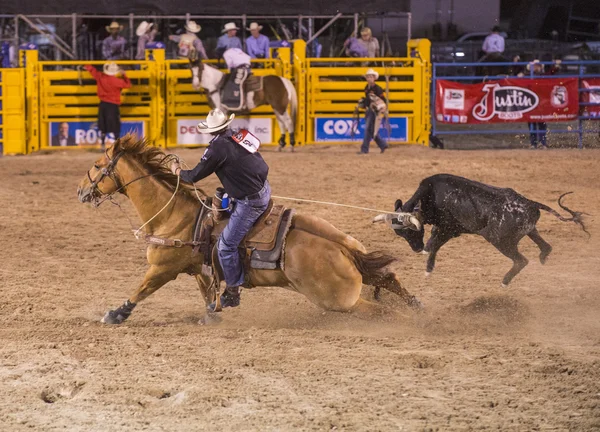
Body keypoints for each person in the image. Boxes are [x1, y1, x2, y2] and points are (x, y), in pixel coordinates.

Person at [170, 109, 271, 311]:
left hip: (250, 201)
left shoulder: (217, 149)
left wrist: (176, 170)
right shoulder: (239, 134)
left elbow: (193, 177)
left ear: (210, 130)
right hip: (262, 187)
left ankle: (233, 291)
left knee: (226, 246)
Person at [84, 62, 131, 148]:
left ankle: (102, 143)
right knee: (115, 124)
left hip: (103, 104)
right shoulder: (118, 81)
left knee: (103, 123)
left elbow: (93, 71)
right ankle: (117, 144)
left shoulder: (101, 77)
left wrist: (87, 65)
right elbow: (128, 85)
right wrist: (124, 75)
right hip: (113, 105)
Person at [357, 68, 388, 154]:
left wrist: (380, 108)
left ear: (374, 78)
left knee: (368, 129)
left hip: (375, 112)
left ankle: (364, 149)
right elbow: (368, 100)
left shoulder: (378, 89)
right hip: (369, 111)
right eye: (368, 77)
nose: (369, 78)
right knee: (371, 130)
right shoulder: (366, 88)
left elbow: (383, 100)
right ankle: (382, 144)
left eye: (371, 76)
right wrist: (363, 101)